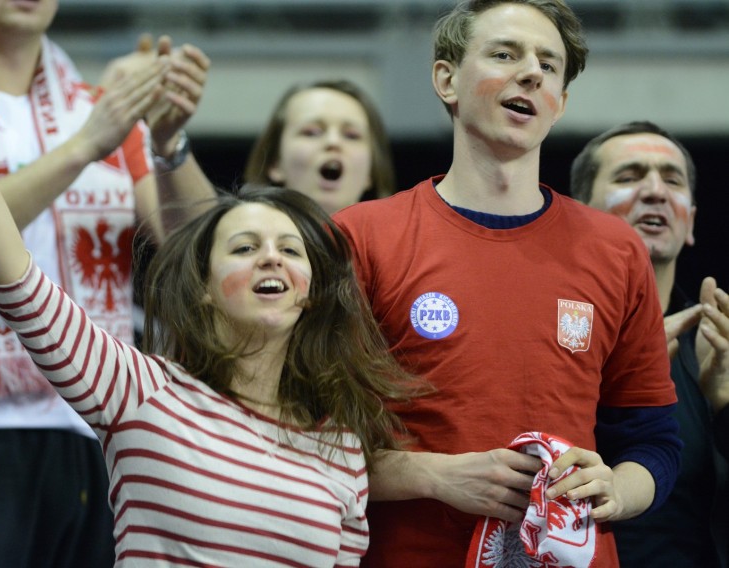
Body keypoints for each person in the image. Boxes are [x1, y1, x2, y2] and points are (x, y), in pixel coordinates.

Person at [0, 88, 419, 565]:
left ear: (309, 293)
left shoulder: (342, 446)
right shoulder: (141, 391)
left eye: (289, 250)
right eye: (244, 248)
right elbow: (17, 283)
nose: (270, 259)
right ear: (204, 287)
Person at [329, 1, 683, 566]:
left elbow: (654, 440)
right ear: (446, 79)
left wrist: (619, 488)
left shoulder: (615, 249)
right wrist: (434, 474)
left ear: (559, 102)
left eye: (548, 64)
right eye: (504, 54)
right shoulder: (359, 236)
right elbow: (305, 437)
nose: (531, 72)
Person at [0, 1, 208, 566]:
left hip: (99, 429)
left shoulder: (102, 108)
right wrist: (83, 148)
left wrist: (169, 144)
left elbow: (198, 255)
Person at [570, 120, 729, 568]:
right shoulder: (551, 335)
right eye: (629, 176)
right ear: (579, 215)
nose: (656, 191)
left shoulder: (718, 343)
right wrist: (621, 372)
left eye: (672, 179)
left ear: (691, 222)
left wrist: (725, 405)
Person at [145, 77, 396, 231]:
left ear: (370, 173)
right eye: (311, 132)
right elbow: (196, 241)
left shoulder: (398, 256)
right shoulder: (242, 245)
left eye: (351, 135)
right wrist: (168, 142)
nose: (333, 142)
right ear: (275, 163)